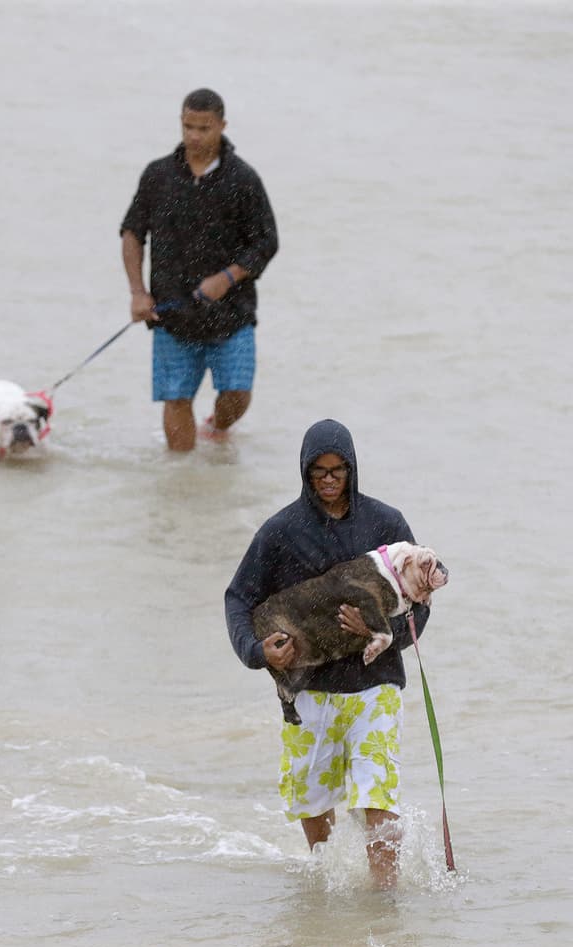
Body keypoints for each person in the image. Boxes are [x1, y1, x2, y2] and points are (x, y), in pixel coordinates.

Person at [224, 419, 433, 889]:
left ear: (353, 469)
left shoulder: (386, 523)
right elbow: (238, 598)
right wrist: (258, 652)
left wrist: (387, 632)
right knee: (312, 798)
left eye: (339, 470)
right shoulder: (280, 531)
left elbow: (422, 601)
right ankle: (322, 889)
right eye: (318, 471)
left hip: (376, 684)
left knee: (377, 791)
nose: (329, 479)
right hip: (308, 692)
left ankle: (385, 902)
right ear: (304, 472)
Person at [120, 88, 278, 451]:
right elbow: (132, 232)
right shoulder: (158, 176)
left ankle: (219, 428)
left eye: (204, 128)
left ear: (222, 126)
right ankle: (180, 483)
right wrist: (137, 292)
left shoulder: (243, 180)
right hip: (171, 314)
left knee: (237, 392)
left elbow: (267, 243)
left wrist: (228, 277)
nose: (194, 136)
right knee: (176, 399)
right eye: (188, 126)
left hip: (232, 313)